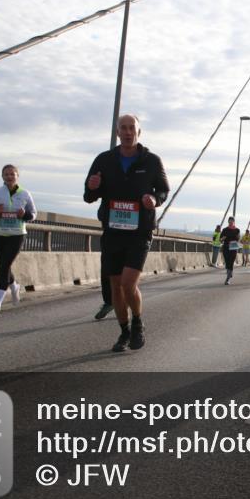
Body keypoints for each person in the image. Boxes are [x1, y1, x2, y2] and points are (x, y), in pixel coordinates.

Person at [84, 114, 169, 352]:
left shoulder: (152, 161)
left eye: (132, 128)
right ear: (118, 132)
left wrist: (154, 199)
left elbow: (163, 191)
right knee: (116, 287)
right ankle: (124, 332)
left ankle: (138, 323)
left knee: (128, 283)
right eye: (124, 128)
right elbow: (89, 196)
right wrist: (92, 186)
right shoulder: (104, 160)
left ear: (138, 132)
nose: (128, 132)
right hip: (113, 232)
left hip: (139, 232)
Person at [0, 164, 36, 317]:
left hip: (17, 235)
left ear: (17, 176)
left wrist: (24, 215)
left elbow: (33, 214)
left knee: (4, 266)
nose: (9, 177)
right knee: (4, 267)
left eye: (12, 174)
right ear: (2, 177)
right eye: (6, 174)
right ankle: (14, 286)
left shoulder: (25, 194)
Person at [220, 216, 241, 285]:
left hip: (233, 248)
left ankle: (228, 279)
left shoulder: (237, 230)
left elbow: (238, 239)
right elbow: (220, 240)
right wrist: (223, 238)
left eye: (232, 220)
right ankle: (229, 271)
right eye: (230, 220)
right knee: (227, 261)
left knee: (231, 262)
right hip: (226, 247)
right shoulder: (225, 230)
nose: (231, 221)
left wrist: (238, 238)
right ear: (228, 221)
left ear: (234, 222)